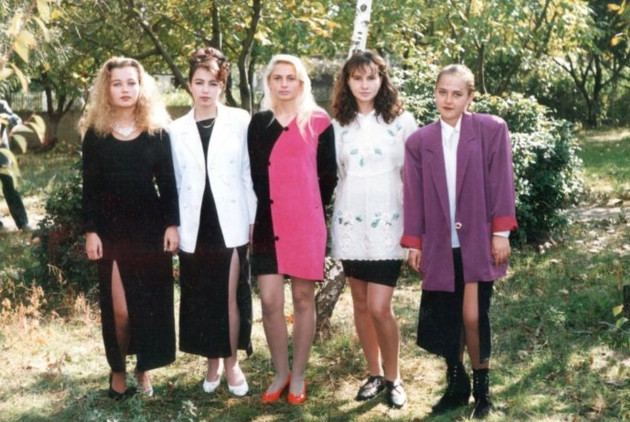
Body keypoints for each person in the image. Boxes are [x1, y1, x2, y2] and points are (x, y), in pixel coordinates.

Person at [401, 64, 518, 418]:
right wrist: (414, 242)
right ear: (434, 93)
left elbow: (502, 181)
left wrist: (500, 233)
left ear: (470, 97)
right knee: (447, 317)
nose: (448, 100)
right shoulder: (419, 141)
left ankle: (482, 390)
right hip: (439, 242)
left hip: (479, 239)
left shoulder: (490, 130)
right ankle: (456, 384)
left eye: (457, 93)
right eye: (442, 92)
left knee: (472, 315)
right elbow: (414, 196)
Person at [81, 57, 180, 400]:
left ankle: (144, 369)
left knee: (148, 305)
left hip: (149, 231)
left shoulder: (157, 131)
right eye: (117, 83)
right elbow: (90, 188)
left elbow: (168, 184)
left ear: (142, 87)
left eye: (131, 82)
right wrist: (91, 230)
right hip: (111, 232)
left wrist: (172, 224)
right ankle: (118, 368)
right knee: (120, 310)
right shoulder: (95, 135)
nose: (125, 89)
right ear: (106, 89)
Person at [247, 54, 337, 405]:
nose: (284, 84)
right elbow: (255, 176)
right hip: (268, 221)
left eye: (291, 78)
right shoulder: (259, 124)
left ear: (302, 83)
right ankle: (280, 372)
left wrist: (307, 206)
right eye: (277, 78)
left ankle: (298, 375)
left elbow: (328, 176)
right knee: (270, 301)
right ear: (268, 82)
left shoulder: (318, 121)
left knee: (302, 299)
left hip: (305, 222)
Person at [329, 50, 416, 408]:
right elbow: (337, 174)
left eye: (371, 77)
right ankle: (374, 373)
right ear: (347, 82)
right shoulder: (339, 125)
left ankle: (395, 378)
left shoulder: (402, 121)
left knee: (380, 307)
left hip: (389, 224)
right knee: (361, 304)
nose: (364, 85)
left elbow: (412, 177)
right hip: (351, 223)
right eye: (357, 78)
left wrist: (417, 230)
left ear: (382, 79)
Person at [169, 47, 256, 397]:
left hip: (230, 219)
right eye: (199, 82)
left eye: (213, 83)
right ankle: (212, 362)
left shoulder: (240, 120)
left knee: (229, 294)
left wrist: (253, 218)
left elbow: (248, 173)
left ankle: (232, 362)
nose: (206, 90)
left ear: (223, 85)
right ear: (189, 84)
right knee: (203, 296)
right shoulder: (175, 129)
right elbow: (174, 183)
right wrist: (173, 225)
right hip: (194, 222)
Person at [0, 99, 30, 231]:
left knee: (10, 188)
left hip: (2, 157)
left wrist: (7, 117)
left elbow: (16, 119)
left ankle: (23, 223)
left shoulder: (1, 104)